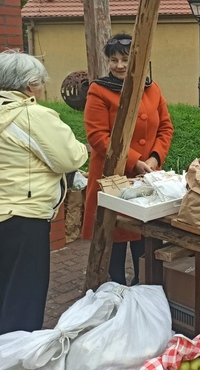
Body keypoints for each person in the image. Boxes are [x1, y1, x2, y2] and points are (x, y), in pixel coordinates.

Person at [0, 50, 88, 333]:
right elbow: (71, 157)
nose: (42, 87)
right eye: (39, 82)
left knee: (4, 294)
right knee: (24, 299)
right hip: (24, 218)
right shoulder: (32, 115)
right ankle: (17, 358)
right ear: (28, 85)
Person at [82, 34, 173, 285]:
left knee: (144, 243)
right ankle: (116, 294)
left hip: (147, 178)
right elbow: (98, 136)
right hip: (113, 178)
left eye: (125, 59)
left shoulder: (152, 88)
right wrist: (134, 161)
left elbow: (165, 127)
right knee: (115, 242)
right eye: (113, 60)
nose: (119, 65)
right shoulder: (99, 90)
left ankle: (143, 292)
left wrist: (155, 158)